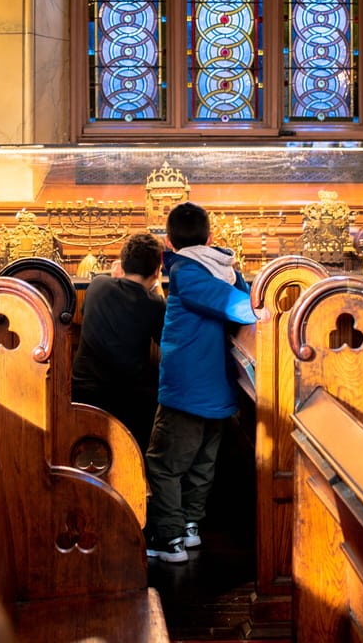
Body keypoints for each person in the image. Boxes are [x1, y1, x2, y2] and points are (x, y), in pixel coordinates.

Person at [145, 201, 256, 564]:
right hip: (216, 389)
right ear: (210, 238)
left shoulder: (185, 272)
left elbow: (238, 307)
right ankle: (190, 525)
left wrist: (264, 311)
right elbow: (239, 298)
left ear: (169, 241)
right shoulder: (225, 268)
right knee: (201, 464)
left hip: (187, 391)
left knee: (164, 464)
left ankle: (169, 538)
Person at [71, 231, 166, 457]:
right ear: (156, 271)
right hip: (128, 399)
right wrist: (157, 288)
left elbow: (87, 310)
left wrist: (116, 279)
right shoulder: (155, 304)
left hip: (83, 392)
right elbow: (165, 338)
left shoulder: (98, 286)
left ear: (123, 264)